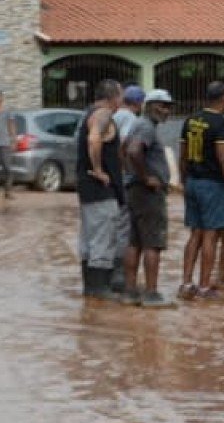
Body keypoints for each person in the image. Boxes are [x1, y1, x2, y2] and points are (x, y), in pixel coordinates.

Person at [178, 82, 224, 301]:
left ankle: (186, 283)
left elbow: (183, 154)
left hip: (192, 182)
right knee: (211, 234)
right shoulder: (220, 124)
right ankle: (205, 286)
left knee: (194, 233)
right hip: (212, 184)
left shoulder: (190, 120)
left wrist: (183, 180)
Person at [120, 87, 175, 308]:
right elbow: (133, 151)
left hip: (134, 190)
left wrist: (131, 174)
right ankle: (151, 294)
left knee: (134, 242)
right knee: (153, 243)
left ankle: (131, 291)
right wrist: (146, 178)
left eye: (168, 107)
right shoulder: (145, 127)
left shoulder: (137, 124)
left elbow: (123, 150)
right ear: (151, 106)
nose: (167, 111)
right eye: (163, 106)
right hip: (147, 193)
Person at [75, 79, 125, 299]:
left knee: (89, 239)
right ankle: (100, 289)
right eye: (120, 97)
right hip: (102, 190)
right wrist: (98, 170)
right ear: (113, 97)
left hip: (87, 191)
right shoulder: (103, 114)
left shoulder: (87, 113)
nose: (121, 102)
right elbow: (94, 138)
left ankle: (90, 289)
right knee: (103, 239)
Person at [107, 83, 145, 296]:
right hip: (122, 179)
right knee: (124, 226)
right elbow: (128, 148)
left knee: (112, 224)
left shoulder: (114, 115)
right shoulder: (130, 119)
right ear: (139, 104)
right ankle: (119, 276)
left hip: (109, 179)